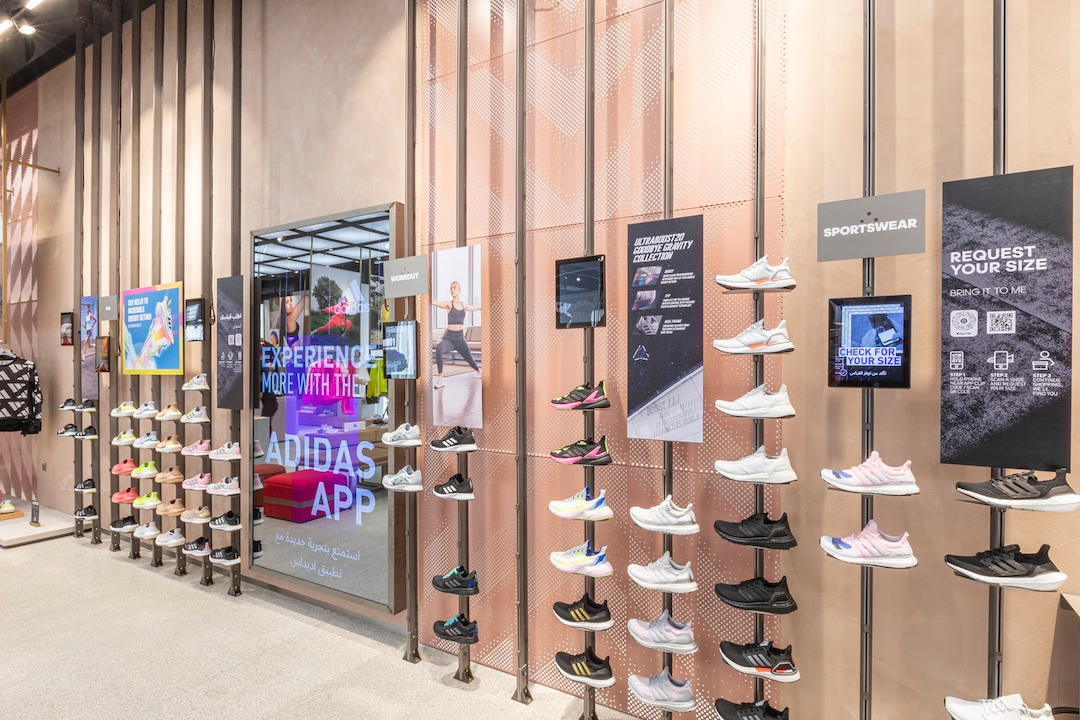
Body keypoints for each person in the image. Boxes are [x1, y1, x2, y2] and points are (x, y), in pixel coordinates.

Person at [431, 281, 480, 389]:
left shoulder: (463, 305)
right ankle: (441, 378)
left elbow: (471, 307)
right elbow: (437, 303)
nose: (452, 289)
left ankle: (477, 370)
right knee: (439, 349)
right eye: (451, 288)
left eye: (454, 287)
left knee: (469, 358)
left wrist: (479, 308)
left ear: (459, 290)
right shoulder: (449, 304)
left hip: (460, 339)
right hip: (449, 338)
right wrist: (427, 299)